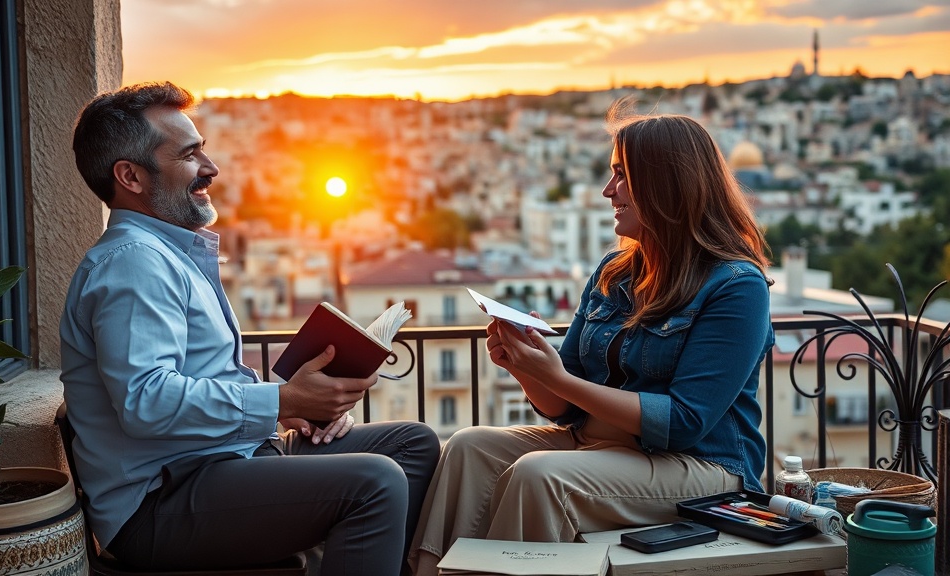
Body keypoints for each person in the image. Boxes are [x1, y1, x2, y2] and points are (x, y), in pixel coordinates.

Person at [60, 81, 439, 576]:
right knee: (376, 481)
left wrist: (287, 412)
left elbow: (190, 384)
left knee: (413, 444)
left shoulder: (166, 255)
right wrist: (283, 402)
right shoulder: (134, 264)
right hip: (159, 503)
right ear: (130, 175)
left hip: (218, 462)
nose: (211, 169)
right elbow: (145, 401)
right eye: (191, 155)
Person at [408, 102, 775, 575]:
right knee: (467, 447)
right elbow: (565, 405)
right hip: (599, 447)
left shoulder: (735, 286)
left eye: (622, 176)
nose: (608, 191)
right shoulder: (613, 273)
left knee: (540, 476)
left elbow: (684, 421)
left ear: (666, 185)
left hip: (701, 467)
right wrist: (525, 366)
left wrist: (556, 378)